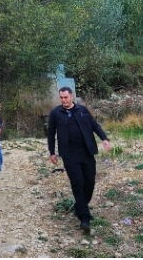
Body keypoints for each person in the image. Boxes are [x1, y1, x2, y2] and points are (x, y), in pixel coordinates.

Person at [47, 87, 112, 233]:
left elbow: (94, 125)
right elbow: (51, 134)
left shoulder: (82, 110)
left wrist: (104, 139)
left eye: (66, 97)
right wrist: (52, 152)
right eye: (61, 98)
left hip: (87, 151)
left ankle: (79, 206)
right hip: (70, 154)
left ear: (72, 97)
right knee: (77, 183)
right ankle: (85, 218)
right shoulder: (56, 113)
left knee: (89, 182)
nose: (63, 100)